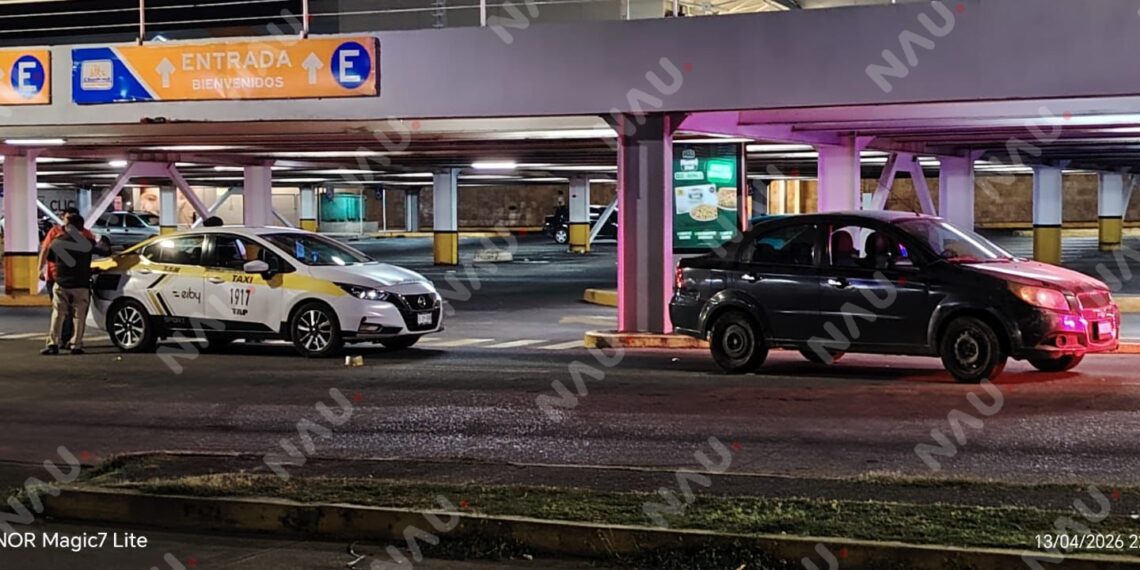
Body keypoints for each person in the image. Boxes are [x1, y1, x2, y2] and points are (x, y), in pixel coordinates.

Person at [41, 214, 101, 355]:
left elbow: (51, 259)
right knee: (79, 316)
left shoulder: (57, 242)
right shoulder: (87, 243)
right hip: (81, 284)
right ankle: (76, 345)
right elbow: (104, 251)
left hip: (62, 283)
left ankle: (53, 344)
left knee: (58, 314)